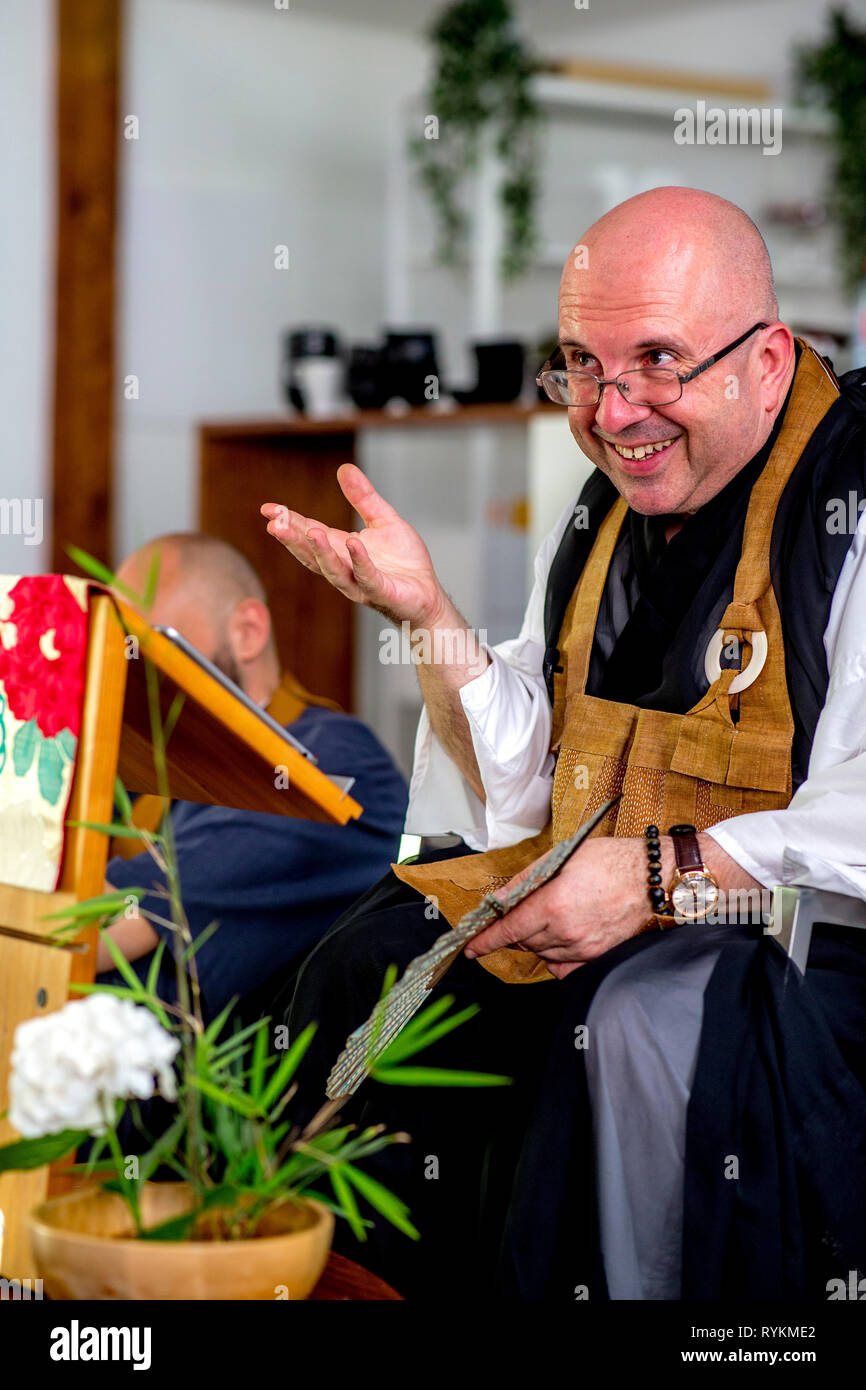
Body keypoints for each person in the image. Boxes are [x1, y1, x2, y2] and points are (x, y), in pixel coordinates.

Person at [261, 187, 866, 1301]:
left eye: (655, 361)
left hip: (800, 948)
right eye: (580, 365)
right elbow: (529, 778)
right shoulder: (604, 510)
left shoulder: (849, 499)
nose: (611, 409)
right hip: (604, 903)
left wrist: (655, 878)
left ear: (768, 360)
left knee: (616, 1016)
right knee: (371, 965)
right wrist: (428, 617)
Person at [98, 532, 408, 1023]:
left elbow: (101, 925)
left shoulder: (334, 760)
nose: (128, 667)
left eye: (146, 644)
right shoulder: (145, 768)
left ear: (246, 630)